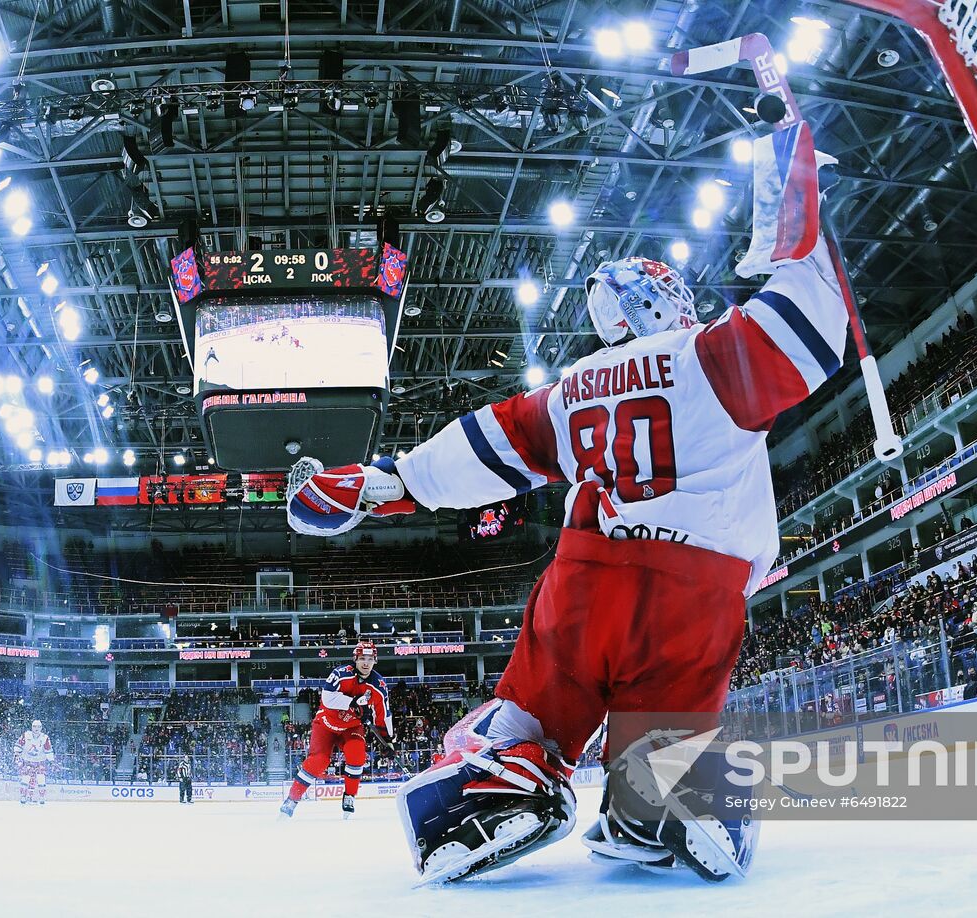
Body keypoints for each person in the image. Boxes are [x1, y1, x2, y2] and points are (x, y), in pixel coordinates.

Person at [285, 144, 848, 884]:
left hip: (583, 583)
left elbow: (489, 447)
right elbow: (809, 326)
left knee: (530, 713)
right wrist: (797, 208)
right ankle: (664, 793)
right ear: (672, 303)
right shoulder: (708, 355)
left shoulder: (574, 385)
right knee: (670, 734)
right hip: (695, 591)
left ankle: (501, 775)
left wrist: (389, 483)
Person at [278, 641, 392, 820]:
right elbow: (328, 698)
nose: (366, 663)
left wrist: (388, 741)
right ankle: (292, 800)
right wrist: (353, 702)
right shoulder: (341, 674)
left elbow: (384, 715)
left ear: (375, 661)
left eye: (370, 659)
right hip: (326, 725)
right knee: (318, 761)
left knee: (357, 754)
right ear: (355, 659)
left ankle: (349, 797)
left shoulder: (379, 685)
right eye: (362, 658)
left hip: (351, 727)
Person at [14, 720, 53, 806]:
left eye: (38, 727)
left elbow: (48, 749)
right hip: (28, 761)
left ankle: (42, 797)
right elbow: (18, 745)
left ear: (41, 728)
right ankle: (23, 796)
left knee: (41, 778)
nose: (36, 728)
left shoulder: (44, 738)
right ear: (32, 727)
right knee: (25, 778)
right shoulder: (26, 735)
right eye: (34, 726)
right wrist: (17, 754)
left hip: (40, 761)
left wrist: (51, 760)